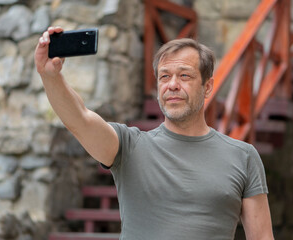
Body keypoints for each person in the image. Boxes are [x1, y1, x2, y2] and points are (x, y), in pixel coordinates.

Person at [35, 26, 274, 240]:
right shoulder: (128, 147)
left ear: (208, 86)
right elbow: (81, 119)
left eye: (184, 75)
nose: (172, 85)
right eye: (164, 77)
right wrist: (50, 76)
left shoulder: (243, 156)